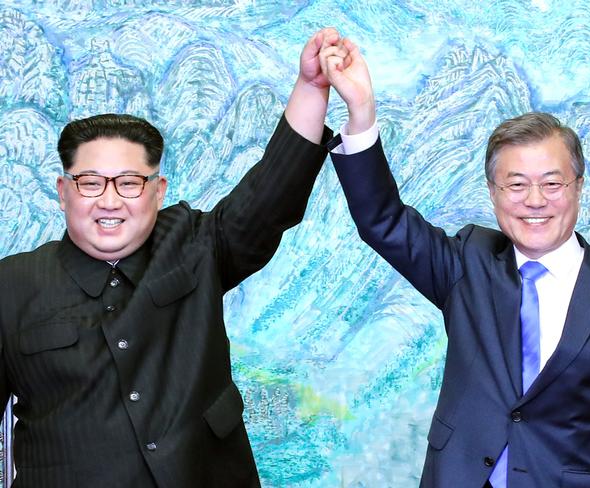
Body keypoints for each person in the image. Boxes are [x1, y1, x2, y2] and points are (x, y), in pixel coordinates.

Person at [0, 28, 339, 487]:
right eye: (91, 182)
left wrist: (312, 86)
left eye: (129, 182)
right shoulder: (11, 284)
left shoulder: (195, 243)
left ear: (157, 192)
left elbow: (271, 195)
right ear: (64, 193)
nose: (109, 200)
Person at [320, 38, 590, 487]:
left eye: (552, 183)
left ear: (577, 187)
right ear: (493, 193)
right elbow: (383, 222)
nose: (535, 201)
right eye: (516, 184)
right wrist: (361, 114)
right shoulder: (468, 262)